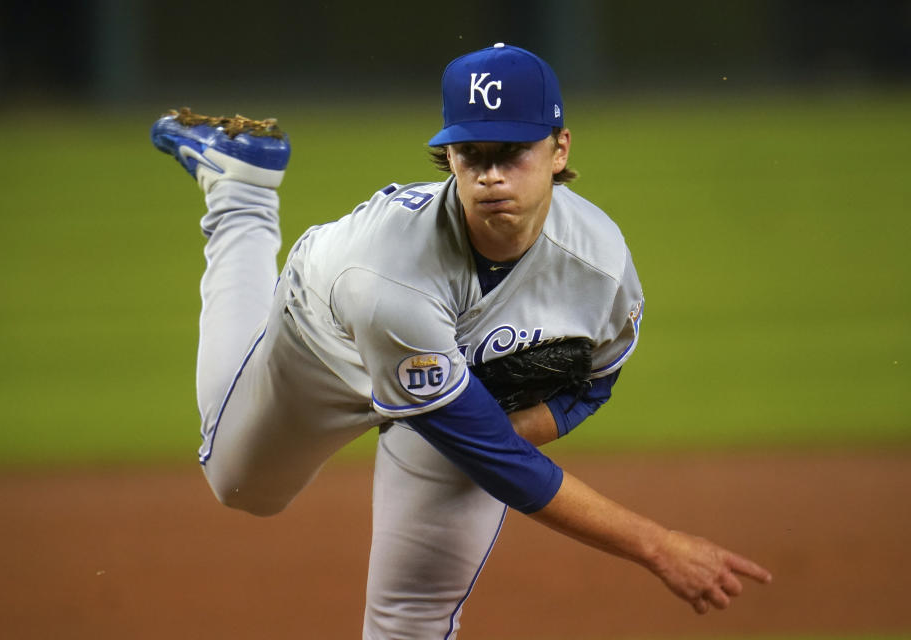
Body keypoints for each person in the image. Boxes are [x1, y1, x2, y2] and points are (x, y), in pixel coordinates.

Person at [151, 43, 772, 639]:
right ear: (449, 158)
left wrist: (532, 422)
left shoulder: (599, 264)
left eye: (513, 152)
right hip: (328, 339)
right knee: (240, 487)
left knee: (413, 618)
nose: (492, 176)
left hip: (457, 391)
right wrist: (659, 546)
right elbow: (497, 461)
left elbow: (598, 377)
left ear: (559, 150)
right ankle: (242, 196)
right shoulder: (384, 277)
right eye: (473, 154)